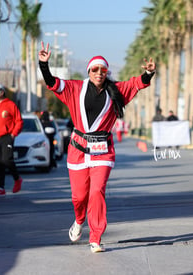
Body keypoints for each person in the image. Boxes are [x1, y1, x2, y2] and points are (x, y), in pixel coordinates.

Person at [38, 41, 156, 253]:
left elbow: (137, 83)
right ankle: (79, 219)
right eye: (95, 69)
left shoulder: (116, 90)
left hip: (103, 151)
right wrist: (44, 64)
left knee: (97, 191)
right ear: (89, 71)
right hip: (78, 150)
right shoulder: (75, 88)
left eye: (103, 70)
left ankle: (96, 237)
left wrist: (149, 73)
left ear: (107, 72)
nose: (99, 73)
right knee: (79, 197)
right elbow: (52, 83)